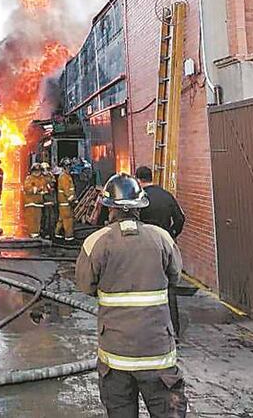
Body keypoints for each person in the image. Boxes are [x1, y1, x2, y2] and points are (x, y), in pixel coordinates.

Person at [75, 173, 188, 417]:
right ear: (139, 206)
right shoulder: (162, 238)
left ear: (108, 208)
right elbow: (174, 279)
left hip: (116, 357)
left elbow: (85, 285)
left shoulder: (95, 243)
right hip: (157, 354)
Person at [134, 165, 188, 341]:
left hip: (144, 247)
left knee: (143, 288)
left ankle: (147, 330)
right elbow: (180, 218)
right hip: (166, 247)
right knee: (169, 289)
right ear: (151, 177)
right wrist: (171, 234)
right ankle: (174, 331)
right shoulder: (166, 196)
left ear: (138, 179)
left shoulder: (139, 198)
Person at [22, 163, 46, 238]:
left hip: (39, 203)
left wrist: (43, 191)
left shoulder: (42, 179)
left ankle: (36, 234)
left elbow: (44, 188)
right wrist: (35, 189)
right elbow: (27, 188)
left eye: (38, 171)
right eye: (35, 171)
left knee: (38, 219)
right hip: (31, 203)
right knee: (31, 219)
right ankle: (32, 234)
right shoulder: (29, 178)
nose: (37, 172)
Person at [55, 158, 76, 241]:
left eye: (69, 166)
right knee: (68, 219)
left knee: (61, 219)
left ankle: (57, 233)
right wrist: (71, 199)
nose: (69, 168)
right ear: (64, 167)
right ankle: (69, 237)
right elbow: (66, 190)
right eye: (67, 166)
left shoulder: (66, 176)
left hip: (64, 203)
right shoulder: (64, 177)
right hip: (65, 203)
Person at [40, 162, 58, 239]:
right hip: (45, 201)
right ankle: (46, 232)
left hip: (51, 200)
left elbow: (53, 185)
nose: (46, 170)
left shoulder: (50, 176)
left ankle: (51, 233)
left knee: (52, 218)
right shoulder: (40, 178)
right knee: (46, 217)